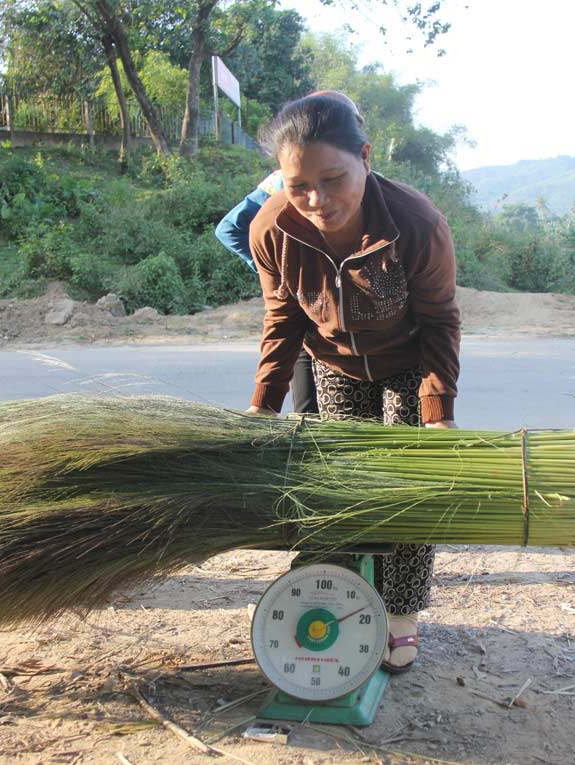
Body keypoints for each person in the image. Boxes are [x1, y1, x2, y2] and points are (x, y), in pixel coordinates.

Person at [247, 95, 461, 673]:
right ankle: (339, 601)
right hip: (333, 365)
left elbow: (441, 320)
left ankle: (400, 615)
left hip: (407, 363)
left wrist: (437, 411)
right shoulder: (270, 229)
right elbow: (283, 319)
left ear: (365, 158)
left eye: (332, 178)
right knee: (341, 489)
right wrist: (262, 408)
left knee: (406, 489)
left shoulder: (416, 224)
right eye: (298, 186)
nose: (316, 199)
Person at [215, 91, 363, 415]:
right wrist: (279, 272)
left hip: (349, 320)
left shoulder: (359, 179)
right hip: (310, 312)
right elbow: (229, 229)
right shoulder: (281, 183)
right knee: (309, 415)